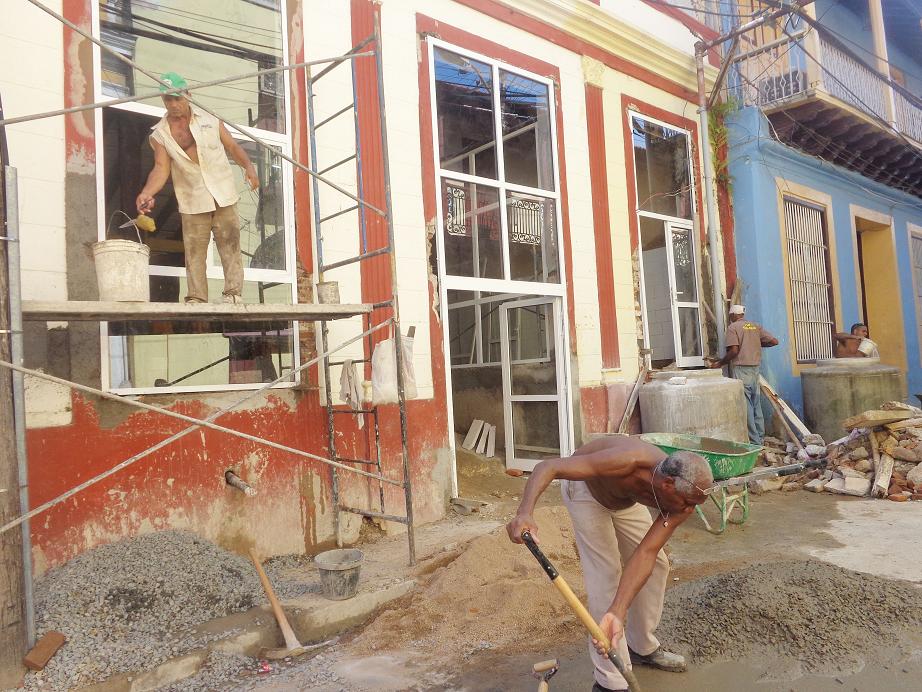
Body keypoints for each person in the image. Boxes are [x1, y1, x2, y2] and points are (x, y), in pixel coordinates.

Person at [507, 436, 716, 692]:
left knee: (658, 566)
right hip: (587, 492)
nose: (691, 510)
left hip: (624, 502)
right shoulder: (626, 461)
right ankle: (611, 682)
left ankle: (640, 646)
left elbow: (646, 552)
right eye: (689, 502)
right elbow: (549, 466)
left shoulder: (680, 499)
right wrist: (525, 512)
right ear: (668, 484)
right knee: (605, 578)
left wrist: (619, 611)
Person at [136, 72, 259, 304]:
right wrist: (147, 192)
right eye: (168, 100)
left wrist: (249, 167)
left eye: (177, 98)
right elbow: (161, 168)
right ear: (163, 100)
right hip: (192, 199)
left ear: (188, 95)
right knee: (194, 252)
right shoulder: (160, 134)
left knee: (230, 244)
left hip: (223, 192)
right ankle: (197, 298)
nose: (173, 105)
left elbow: (232, 146)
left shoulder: (210, 118)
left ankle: (233, 293)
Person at [708, 304, 778, 444]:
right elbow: (774, 341)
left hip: (742, 369)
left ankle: (754, 441)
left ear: (733, 315)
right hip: (755, 369)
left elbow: (733, 351)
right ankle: (760, 436)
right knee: (756, 403)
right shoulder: (755, 326)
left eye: (730, 316)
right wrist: (755, 344)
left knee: (746, 405)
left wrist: (720, 363)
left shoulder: (733, 328)